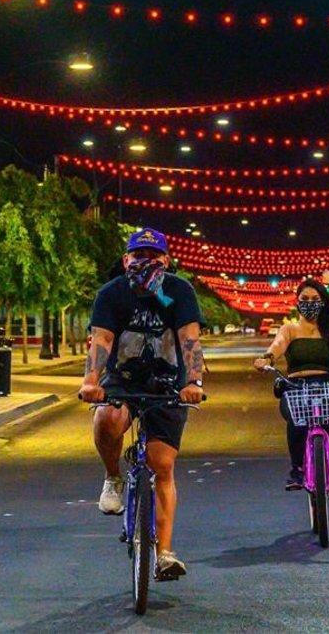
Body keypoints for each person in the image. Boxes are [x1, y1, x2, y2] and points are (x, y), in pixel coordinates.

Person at [79, 227, 206, 582]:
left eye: (153, 256)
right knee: (107, 419)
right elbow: (102, 340)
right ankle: (113, 477)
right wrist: (91, 381)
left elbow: (190, 341)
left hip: (169, 384)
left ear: (166, 260)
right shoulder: (111, 294)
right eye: (138, 256)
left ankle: (164, 553)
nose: (145, 262)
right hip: (123, 379)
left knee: (162, 465)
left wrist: (194, 382)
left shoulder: (179, 291)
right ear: (126, 260)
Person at [253, 278, 329, 507]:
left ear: (323, 302)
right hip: (297, 387)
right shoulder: (289, 329)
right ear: (297, 302)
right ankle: (297, 469)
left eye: (315, 300)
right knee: (297, 422)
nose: (310, 304)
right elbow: (277, 346)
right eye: (305, 300)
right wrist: (266, 359)